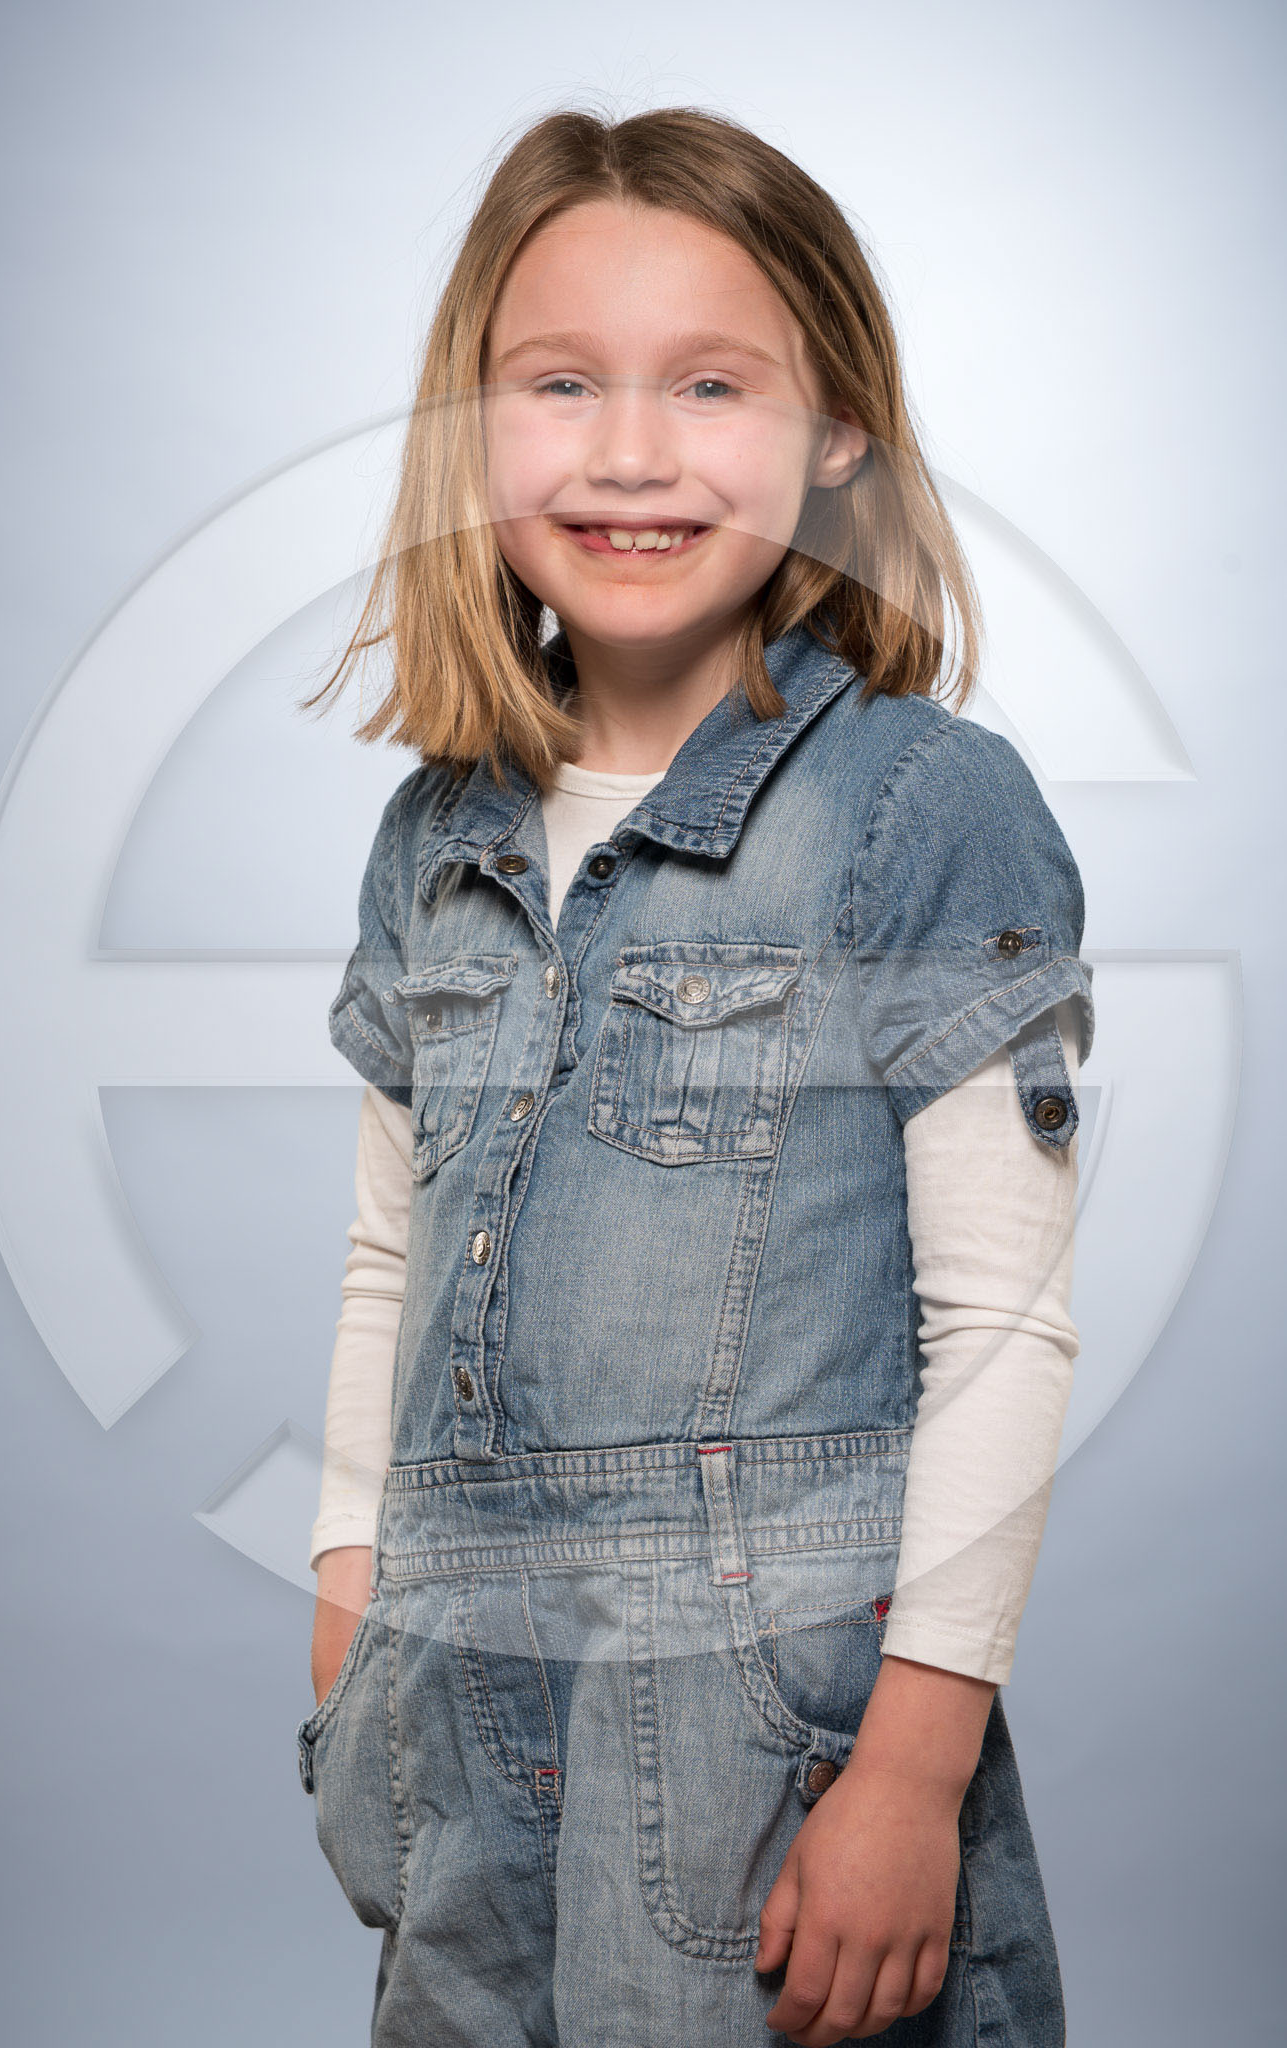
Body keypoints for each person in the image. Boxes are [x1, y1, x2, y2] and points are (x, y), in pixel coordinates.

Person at [295, 104, 1094, 2048]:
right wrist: (346, 1619)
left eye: (711, 386)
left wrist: (911, 1772)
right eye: (560, 384)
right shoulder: (433, 838)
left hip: (766, 1751)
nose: (632, 453)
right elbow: (390, 1263)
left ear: (838, 442)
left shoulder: (921, 808)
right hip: (453, 1725)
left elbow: (1001, 1326)